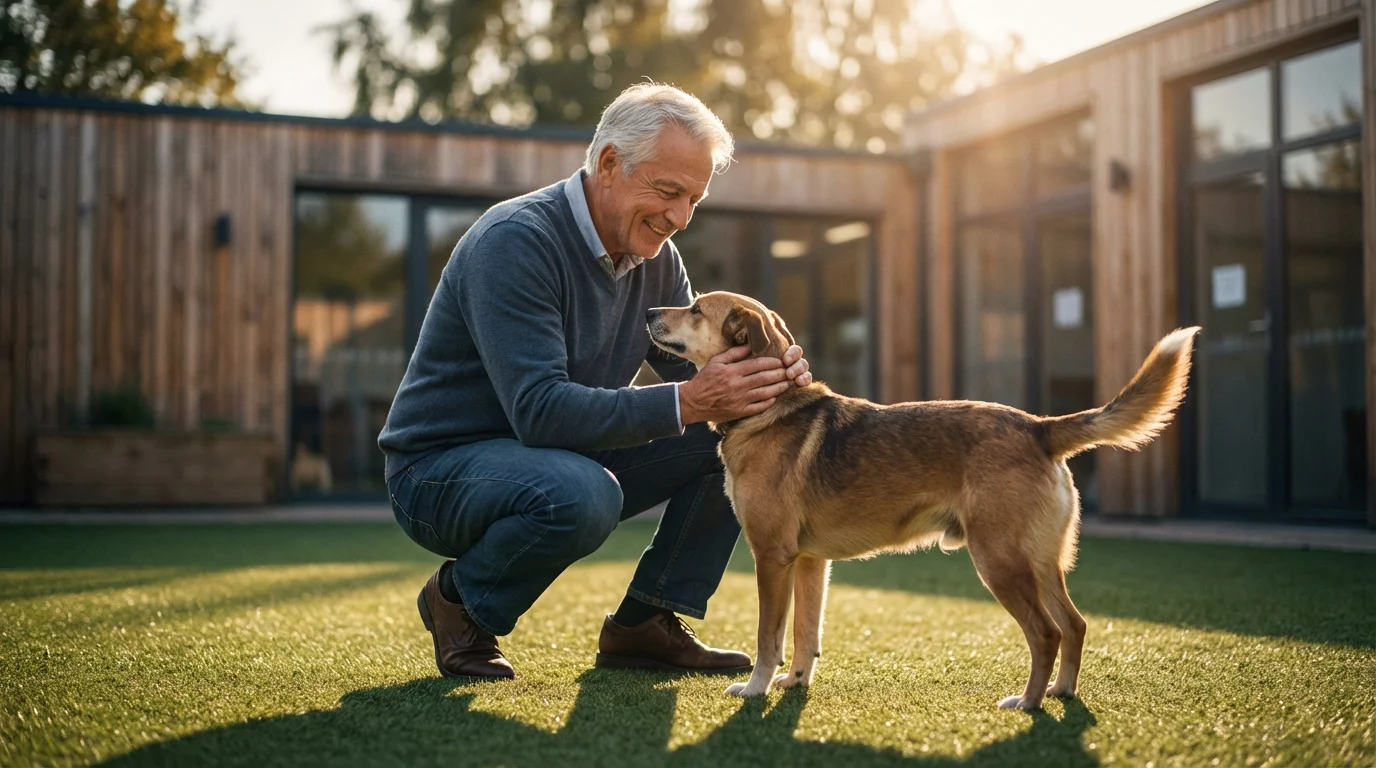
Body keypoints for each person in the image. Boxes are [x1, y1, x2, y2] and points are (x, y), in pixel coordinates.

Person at [378, 83, 812, 679]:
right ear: (609, 164)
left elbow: (700, 374)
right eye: (668, 192)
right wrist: (691, 399)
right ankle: (460, 601)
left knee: (741, 443)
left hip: (561, 452)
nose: (680, 217)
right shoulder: (515, 242)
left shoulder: (656, 254)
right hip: (439, 471)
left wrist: (770, 376)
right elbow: (540, 411)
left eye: (693, 199)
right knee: (584, 494)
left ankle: (647, 623)